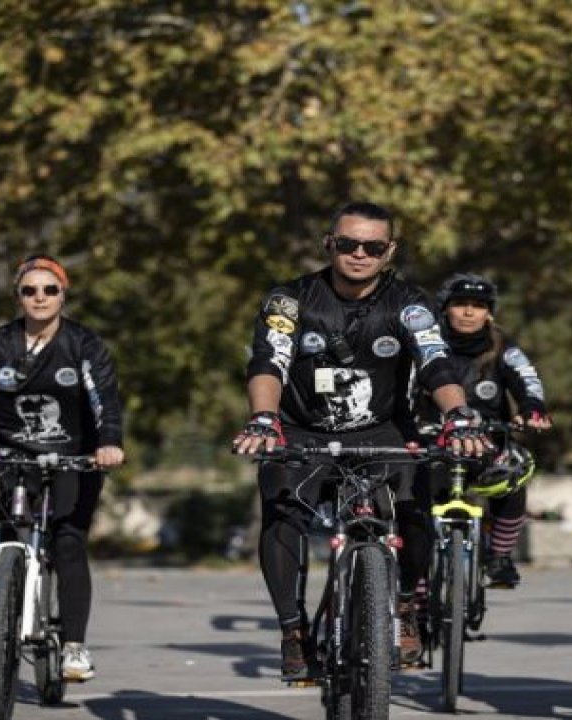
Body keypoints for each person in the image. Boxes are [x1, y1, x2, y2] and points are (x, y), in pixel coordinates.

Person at [232, 201, 489, 679]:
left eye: (372, 247)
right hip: (302, 431)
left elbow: (436, 363)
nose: (359, 254)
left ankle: (408, 606)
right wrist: (264, 418)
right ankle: (293, 630)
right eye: (347, 244)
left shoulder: (410, 303)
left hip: (383, 430)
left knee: (415, 502)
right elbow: (269, 362)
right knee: (282, 513)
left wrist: (459, 414)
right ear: (330, 245)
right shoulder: (291, 300)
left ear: (388, 251)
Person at [0, 254, 125, 683]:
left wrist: (108, 442)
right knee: (9, 523)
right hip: (14, 454)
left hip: (77, 456)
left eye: (49, 289)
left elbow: (103, 398)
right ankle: (2, 579)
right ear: (18, 296)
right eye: (29, 290)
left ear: (63, 294)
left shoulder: (83, 345)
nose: (40, 297)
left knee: (68, 542)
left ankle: (74, 645)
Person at [420, 273, 553, 588]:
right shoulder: (426, 342)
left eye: (478, 306)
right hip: (432, 441)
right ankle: (418, 585)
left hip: (488, 442)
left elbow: (527, 378)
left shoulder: (503, 345)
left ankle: (499, 557)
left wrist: (532, 408)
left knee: (514, 472)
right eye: (460, 304)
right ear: (445, 309)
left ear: (489, 312)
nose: (469, 312)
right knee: (412, 497)